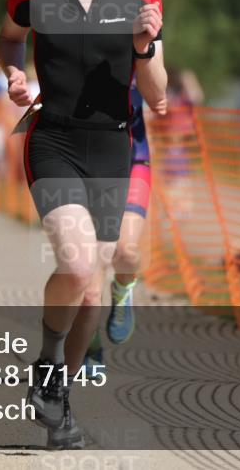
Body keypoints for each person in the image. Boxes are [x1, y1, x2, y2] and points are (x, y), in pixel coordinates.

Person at [0, 0, 167, 449]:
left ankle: (59, 397)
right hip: (55, 141)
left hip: (113, 148)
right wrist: (13, 73)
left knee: (93, 290)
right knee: (75, 264)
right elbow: (9, 38)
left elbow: (157, 89)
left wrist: (145, 46)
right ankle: (48, 360)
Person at [83, 76, 154, 378]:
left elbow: (159, 94)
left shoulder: (138, 49)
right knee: (89, 263)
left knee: (126, 251)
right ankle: (88, 342)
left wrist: (148, 63)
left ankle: (122, 290)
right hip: (86, 162)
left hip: (134, 160)